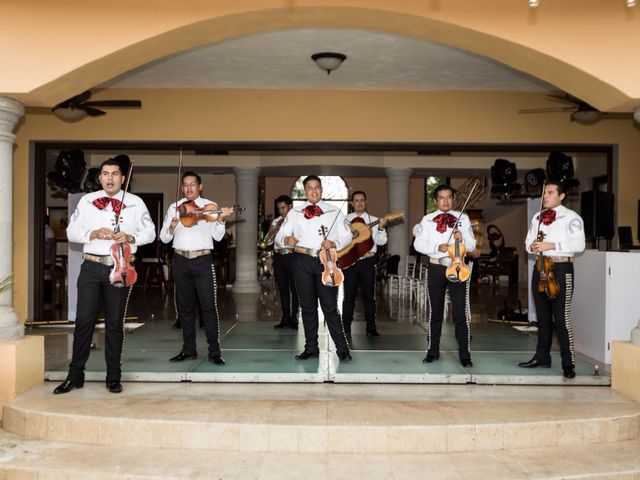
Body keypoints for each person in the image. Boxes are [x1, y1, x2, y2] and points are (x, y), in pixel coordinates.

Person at [53, 157, 156, 394]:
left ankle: (113, 377)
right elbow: (72, 232)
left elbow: (149, 232)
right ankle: (75, 375)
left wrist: (130, 237)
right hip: (90, 268)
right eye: (105, 173)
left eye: (115, 174)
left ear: (123, 178)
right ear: (100, 178)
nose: (110, 178)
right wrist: (93, 233)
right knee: (83, 324)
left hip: (118, 267)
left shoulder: (135, 202)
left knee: (114, 325)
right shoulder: (87, 201)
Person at [275, 175, 353, 361]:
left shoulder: (334, 211)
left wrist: (334, 242)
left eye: (316, 187)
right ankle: (311, 348)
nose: (313, 190)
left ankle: (342, 349)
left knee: (330, 308)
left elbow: (348, 235)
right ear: (305, 191)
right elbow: (280, 235)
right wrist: (286, 239)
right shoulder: (295, 213)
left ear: (321, 189)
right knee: (307, 308)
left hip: (325, 261)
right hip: (301, 260)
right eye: (309, 188)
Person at [160, 171, 233, 365]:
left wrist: (221, 220)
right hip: (180, 261)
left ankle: (214, 352)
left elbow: (217, 238)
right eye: (185, 185)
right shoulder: (174, 207)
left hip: (202, 261)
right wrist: (172, 227)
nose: (189, 188)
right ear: (182, 187)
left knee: (208, 307)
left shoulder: (210, 207)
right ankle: (188, 349)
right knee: (184, 309)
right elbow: (164, 238)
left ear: (199, 187)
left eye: (193, 184)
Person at [519, 181, 585, 379]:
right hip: (540, 268)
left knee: (561, 319)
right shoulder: (537, 217)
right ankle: (542, 357)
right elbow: (527, 243)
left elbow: (579, 245)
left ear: (562, 195)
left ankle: (568, 363)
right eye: (544, 192)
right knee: (543, 318)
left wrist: (550, 245)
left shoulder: (572, 217)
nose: (545, 196)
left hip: (561, 268)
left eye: (549, 192)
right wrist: (533, 246)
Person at [413, 184, 476, 367]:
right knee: (436, 312)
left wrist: (462, 237)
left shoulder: (463, 218)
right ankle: (433, 351)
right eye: (441, 197)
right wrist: (436, 248)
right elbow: (418, 245)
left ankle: (465, 355)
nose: (446, 201)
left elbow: (471, 246)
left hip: (458, 268)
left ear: (454, 199)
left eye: (449, 197)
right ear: (435, 201)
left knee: (460, 313)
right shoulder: (427, 220)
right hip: (436, 268)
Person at [341, 190, 387, 339]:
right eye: (356, 200)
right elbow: (340, 242)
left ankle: (371, 328)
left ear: (365, 202)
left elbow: (382, 242)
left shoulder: (373, 220)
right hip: (351, 263)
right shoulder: (345, 221)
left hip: (368, 262)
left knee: (369, 297)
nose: (359, 203)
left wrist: (380, 228)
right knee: (349, 296)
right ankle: (345, 327)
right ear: (352, 203)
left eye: (362, 200)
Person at [270, 195, 300, 330]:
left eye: (283, 208)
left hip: (292, 256)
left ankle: (294, 318)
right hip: (279, 257)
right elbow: (270, 240)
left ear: (290, 206)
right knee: (282, 289)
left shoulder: (297, 222)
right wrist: (273, 231)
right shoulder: (276, 221)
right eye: (279, 209)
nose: (281, 211)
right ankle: (285, 318)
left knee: (295, 289)